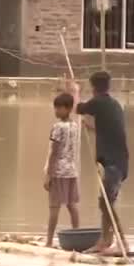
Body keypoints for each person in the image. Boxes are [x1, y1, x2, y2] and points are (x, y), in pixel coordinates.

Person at [74, 71, 129, 254]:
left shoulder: (99, 102)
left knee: (105, 202)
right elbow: (109, 129)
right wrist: (90, 128)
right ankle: (106, 241)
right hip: (119, 162)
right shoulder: (114, 105)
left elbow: (78, 108)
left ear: (93, 87)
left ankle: (120, 241)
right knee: (106, 201)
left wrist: (75, 91)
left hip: (114, 164)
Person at [43, 92, 81, 247]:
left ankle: (49, 241)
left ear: (68, 109)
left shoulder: (58, 127)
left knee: (54, 207)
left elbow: (54, 152)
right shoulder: (75, 126)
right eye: (56, 108)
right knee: (72, 205)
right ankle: (78, 236)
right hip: (72, 170)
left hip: (59, 171)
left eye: (59, 108)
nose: (56, 111)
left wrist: (48, 175)